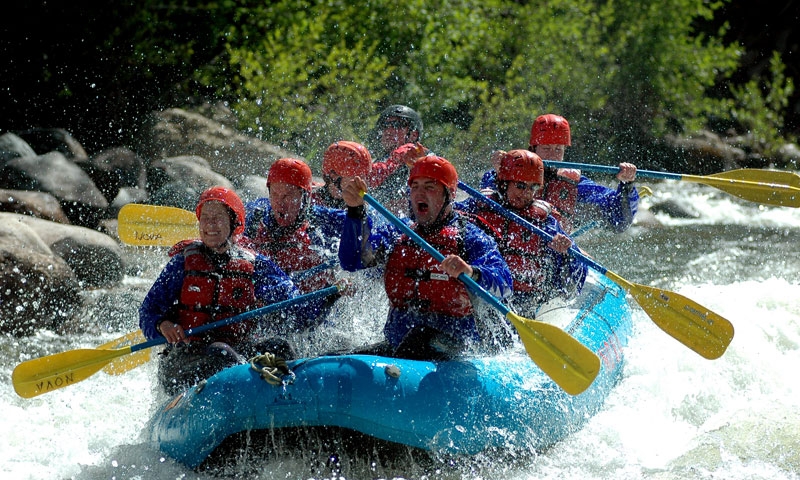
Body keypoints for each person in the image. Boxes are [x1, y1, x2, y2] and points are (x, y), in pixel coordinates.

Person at [338, 155, 514, 359]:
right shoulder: (398, 232)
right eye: (415, 187)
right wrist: (355, 210)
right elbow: (352, 261)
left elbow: (505, 283)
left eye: (430, 187)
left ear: (449, 195)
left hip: (454, 349)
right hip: (399, 347)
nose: (419, 193)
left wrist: (471, 271)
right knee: (340, 358)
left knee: (419, 336)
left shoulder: (469, 237)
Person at [139, 186, 303, 395]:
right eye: (205, 218)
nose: (209, 225)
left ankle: (285, 402)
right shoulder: (182, 263)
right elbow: (147, 312)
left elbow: (297, 306)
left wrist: (332, 294)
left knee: (280, 347)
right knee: (221, 354)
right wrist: (163, 325)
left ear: (234, 223)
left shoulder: (255, 265)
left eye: (217, 218)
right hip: (184, 359)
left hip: (235, 352)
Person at [458, 150, 587, 317]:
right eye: (520, 186)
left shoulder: (544, 222)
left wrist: (567, 253)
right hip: (479, 288)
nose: (526, 193)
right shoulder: (479, 205)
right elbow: (444, 216)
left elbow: (577, 274)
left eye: (533, 187)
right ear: (504, 183)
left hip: (523, 302)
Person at [243, 157, 353, 324]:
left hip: (316, 314)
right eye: (275, 194)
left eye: (288, 196)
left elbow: (363, 226)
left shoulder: (321, 221)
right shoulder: (255, 216)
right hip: (266, 311)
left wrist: (358, 209)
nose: (280, 204)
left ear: (306, 197)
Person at [528, 114, 639, 233]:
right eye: (546, 148)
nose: (553, 156)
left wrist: (626, 185)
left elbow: (619, 221)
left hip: (555, 248)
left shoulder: (573, 184)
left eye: (558, 149)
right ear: (533, 149)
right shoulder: (512, 172)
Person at [367, 105, 431, 215]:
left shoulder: (422, 155)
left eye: (397, 125)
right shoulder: (382, 160)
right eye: (385, 126)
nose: (388, 130)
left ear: (413, 135)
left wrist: (422, 166)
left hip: (412, 223)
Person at [314, 140, 373, 209]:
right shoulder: (310, 202)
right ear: (334, 176)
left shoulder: (366, 207)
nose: (363, 181)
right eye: (357, 177)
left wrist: (359, 209)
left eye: (365, 176)